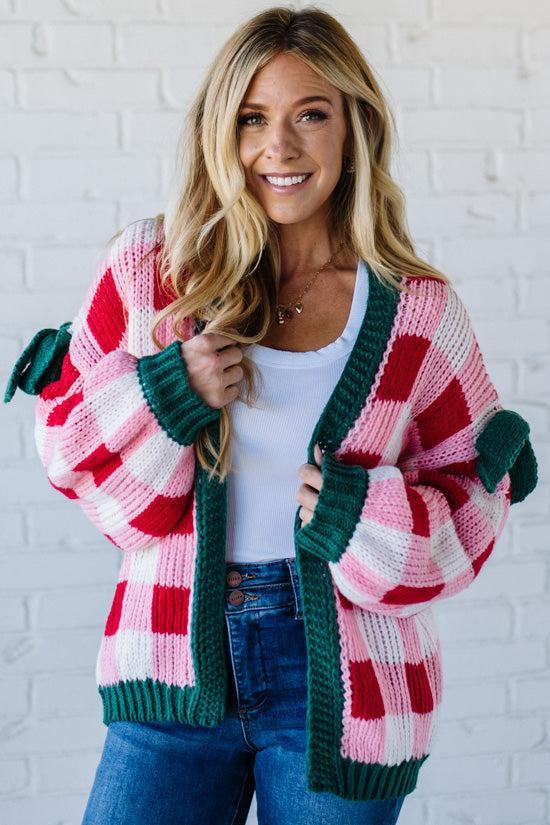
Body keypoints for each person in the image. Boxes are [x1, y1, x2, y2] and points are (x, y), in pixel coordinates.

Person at [4, 6, 538, 825]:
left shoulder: (419, 314)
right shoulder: (152, 271)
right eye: (253, 119)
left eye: (310, 116)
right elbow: (78, 462)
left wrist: (363, 517)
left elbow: (474, 501)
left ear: (353, 128)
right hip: (173, 663)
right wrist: (165, 393)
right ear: (223, 130)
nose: (278, 149)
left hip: (348, 694)